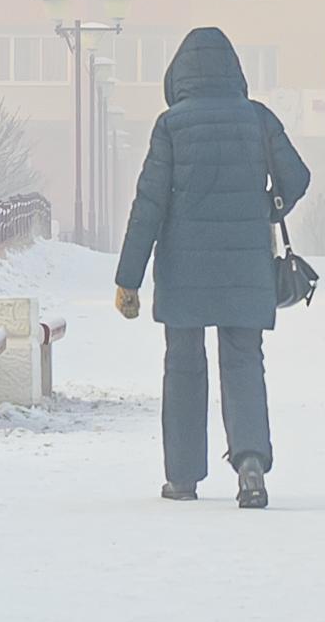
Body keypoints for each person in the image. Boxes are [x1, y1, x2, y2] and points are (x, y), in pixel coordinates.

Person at [113, 27, 312, 510]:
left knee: (183, 362)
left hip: (184, 266)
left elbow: (149, 204)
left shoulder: (171, 125)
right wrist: (265, 208)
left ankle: (182, 477)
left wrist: (128, 278)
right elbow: (297, 176)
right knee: (243, 360)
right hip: (247, 264)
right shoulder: (257, 118)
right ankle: (250, 466)